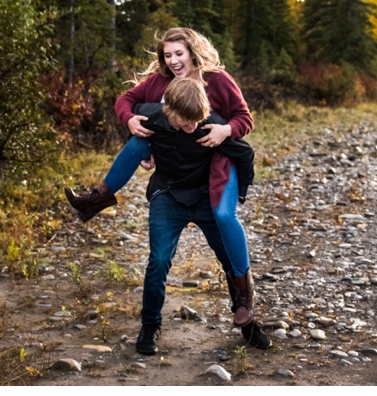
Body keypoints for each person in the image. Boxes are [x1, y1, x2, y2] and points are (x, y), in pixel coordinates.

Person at [64, 27, 257, 327]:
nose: (174, 61)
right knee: (140, 139)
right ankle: (99, 196)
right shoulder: (160, 82)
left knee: (223, 214)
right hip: (176, 172)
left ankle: (244, 291)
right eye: (168, 56)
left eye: (179, 54)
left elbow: (245, 119)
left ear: (192, 52)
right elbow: (125, 100)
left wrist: (226, 130)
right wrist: (129, 120)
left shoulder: (217, 80)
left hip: (217, 162)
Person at [126, 76, 270, 354]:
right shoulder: (153, 115)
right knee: (158, 261)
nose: (193, 127)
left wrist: (241, 193)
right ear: (169, 112)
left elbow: (245, 153)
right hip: (167, 195)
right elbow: (132, 116)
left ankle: (248, 323)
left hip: (205, 197)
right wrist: (142, 150)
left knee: (229, 258)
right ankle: (150, 326)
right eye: (186, 122)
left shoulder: (207, 125)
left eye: (196, 120)